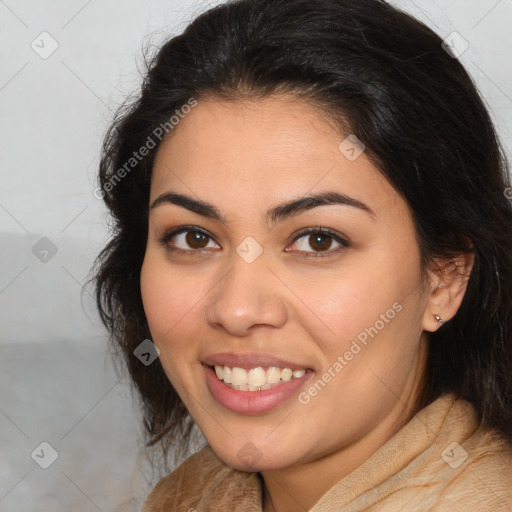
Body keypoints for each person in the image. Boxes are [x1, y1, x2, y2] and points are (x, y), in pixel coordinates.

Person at [92, 0, 512, 510]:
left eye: (318, 240)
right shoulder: (186, 498)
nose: (237, 309)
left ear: (445, 276)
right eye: (194, 238)